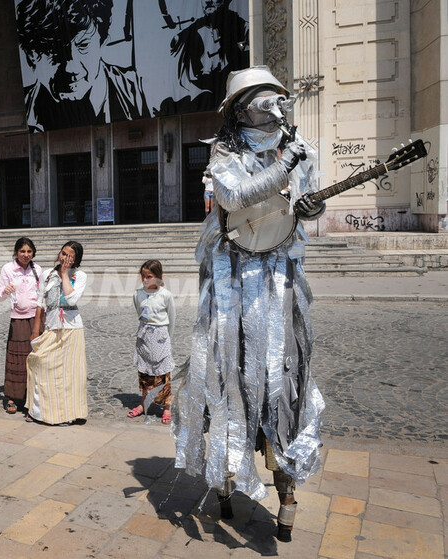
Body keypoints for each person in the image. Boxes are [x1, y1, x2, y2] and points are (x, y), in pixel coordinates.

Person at [171, 66, 325, 542]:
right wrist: (283, 167)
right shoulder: (224, 152)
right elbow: (233, 196)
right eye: (264, 99)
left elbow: (309, 199)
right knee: (228, 370)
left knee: (280, 375)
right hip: (233, 282)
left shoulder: (297, 147)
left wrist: (311, 204)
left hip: (278, 279)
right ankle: (225, 471)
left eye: (277, 98)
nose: (274, 107)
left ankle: (285, 484)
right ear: (241, 109)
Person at [16, 0, 149, 132]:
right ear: (31, 55)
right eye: (54, 51)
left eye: (83, 45)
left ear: (102, 40)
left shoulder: (141, 91)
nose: (71, 68)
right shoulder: (20, 111)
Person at [26, 241, 88, 425]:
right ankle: (39, 411)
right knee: (41, 364)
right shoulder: (47, 274)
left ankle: (67, 414)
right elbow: (40, 302)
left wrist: (65, 274)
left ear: (76, 259)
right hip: (51, 327)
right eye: (63, 253)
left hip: (72, 329)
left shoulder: (80, 276)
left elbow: (71, 299)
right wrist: (35, 330)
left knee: (69, 375)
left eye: (70, 256)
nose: (64, 258)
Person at [158, 0, 249, 115]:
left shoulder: (238, 23)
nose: (208, 1)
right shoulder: (196, 27)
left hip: (230, 85)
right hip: (206, 88)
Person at [0, 237, 42, 414]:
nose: (26, 255)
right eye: (22, 251)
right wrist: (5, 291)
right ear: (16, 252)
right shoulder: (8, 269)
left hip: (36, 318)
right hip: (18, 319)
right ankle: (13, 397)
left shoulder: (37, 270)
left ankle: (33, 396)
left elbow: (42, 294)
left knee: (36, 357)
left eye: (29, 251)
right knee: (16, 359)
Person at [128, 260, 176, 425]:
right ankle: (143, 403)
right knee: (144, 372)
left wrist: (167, 339)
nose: (145, 279)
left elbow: (172, 318)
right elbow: (139, 312)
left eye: (149, 276)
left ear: (158, 277)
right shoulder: (137, 294)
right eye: (143, 276)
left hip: (160, 336)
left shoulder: (166, 295)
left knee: (163, 373)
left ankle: (167, 407)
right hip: (144, 336)